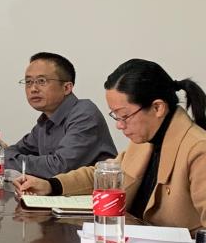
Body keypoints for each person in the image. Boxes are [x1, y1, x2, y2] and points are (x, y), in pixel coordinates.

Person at [16, 59, 206, 230]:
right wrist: (51, 185)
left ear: (158, 107)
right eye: (116, 116)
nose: (119, 125)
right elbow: (103, 174)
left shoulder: (198, 150)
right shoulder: (145, 140)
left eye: (125, 116)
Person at [0, 52, 116, 179]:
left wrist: (3, 156)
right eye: (28, 82)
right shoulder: (45, 121)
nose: (33, 89)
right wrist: (4, 154)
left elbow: (59, 168)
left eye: (41, 81)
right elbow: (16, 151)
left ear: (67, 88)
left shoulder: (84, 114)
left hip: (97, 197)